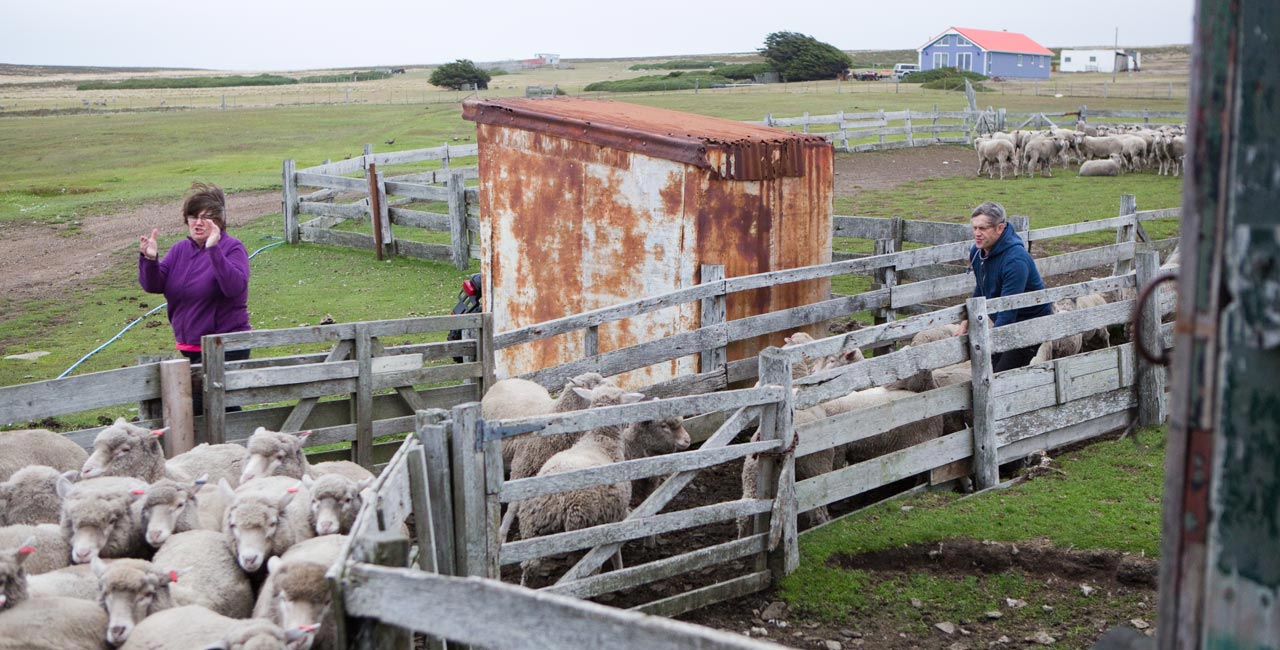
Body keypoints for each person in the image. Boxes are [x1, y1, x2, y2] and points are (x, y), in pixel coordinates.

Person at [138, 182, 250, 413]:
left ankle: (242, 446)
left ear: (219, 221)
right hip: (190, 346)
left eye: (206, 217)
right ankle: (240, 446)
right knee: (214, 409)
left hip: (225, 345)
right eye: (193, 216)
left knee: (206, 408)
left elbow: (234, 288)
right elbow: (154, 284)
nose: (198, 223)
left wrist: (213, 250)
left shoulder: (232, 248)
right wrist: (150, 260)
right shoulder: (180, 250)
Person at [954, 201, 1052, 372]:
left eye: (983, 229)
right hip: (1003, 319)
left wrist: (987, 344)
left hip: (1029, 324)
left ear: (1000, 228)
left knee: (999, 373)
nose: (977, 233)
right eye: (975, 228)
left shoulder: (1015, 261)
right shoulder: (977, 252)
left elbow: (1008, 311)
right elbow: (981, 289)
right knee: (987, 368)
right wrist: (966, 321)